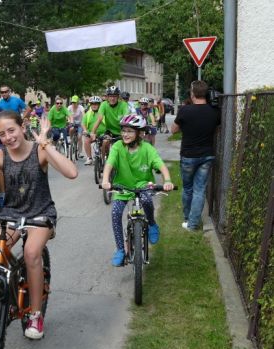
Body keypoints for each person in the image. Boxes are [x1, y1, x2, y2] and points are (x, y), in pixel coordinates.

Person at [0, 111, 78, 339]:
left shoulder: (39, 151)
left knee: (32, 253)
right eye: (2, 134)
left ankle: (35, 313)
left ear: (22, 127)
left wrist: (45, 143)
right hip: (11, 214)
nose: (8, 137)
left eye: (11, 130)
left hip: (40, 213)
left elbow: (71, 172)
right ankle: (6, 289)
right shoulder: (0, 156)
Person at [101, 114, 174, 266]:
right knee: (115, 213)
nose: (125, 134)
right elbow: (109, 163)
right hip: (122, 187)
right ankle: (121, 249)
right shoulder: (117, 147)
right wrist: (105, 179)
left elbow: (160, 165)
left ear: (140, 133)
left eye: (130, 131)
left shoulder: (147, 149)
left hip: (143, 186)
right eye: (123, 131)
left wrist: (167, 181)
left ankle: (152, 223)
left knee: (147, 200)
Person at [170, 80, 221, 231]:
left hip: (188, 156)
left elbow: (173, 130)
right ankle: (192, 224)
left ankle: (188, 218)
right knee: (199, 190)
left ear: (192, 93)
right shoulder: (215, 111)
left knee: (188, 189)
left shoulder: (185, 111)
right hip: (207, 155)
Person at [90, 86, 132, 159]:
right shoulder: (104, 105)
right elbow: (99, 119)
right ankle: (103, 160)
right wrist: (93, 132)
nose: (112, 98)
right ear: (107, 97)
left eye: (115, 96)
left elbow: (126, 118)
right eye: (110, 96)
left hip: (121, 131)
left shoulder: (123, 105)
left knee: (124, 149)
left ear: (118, 97)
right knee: (105, 141)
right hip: (110, 131)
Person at [81, 95, 106, 165]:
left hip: (103, 133)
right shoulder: (88, 113)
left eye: (96, 104)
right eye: (92, 104)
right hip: (91, 134)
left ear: (99, 104)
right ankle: (89, 158)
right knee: (86, 140)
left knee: (105, 143)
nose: (94, 105)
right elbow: (83, 123)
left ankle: (105, 157)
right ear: (90, 105)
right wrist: (85, 130)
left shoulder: (103, 112)